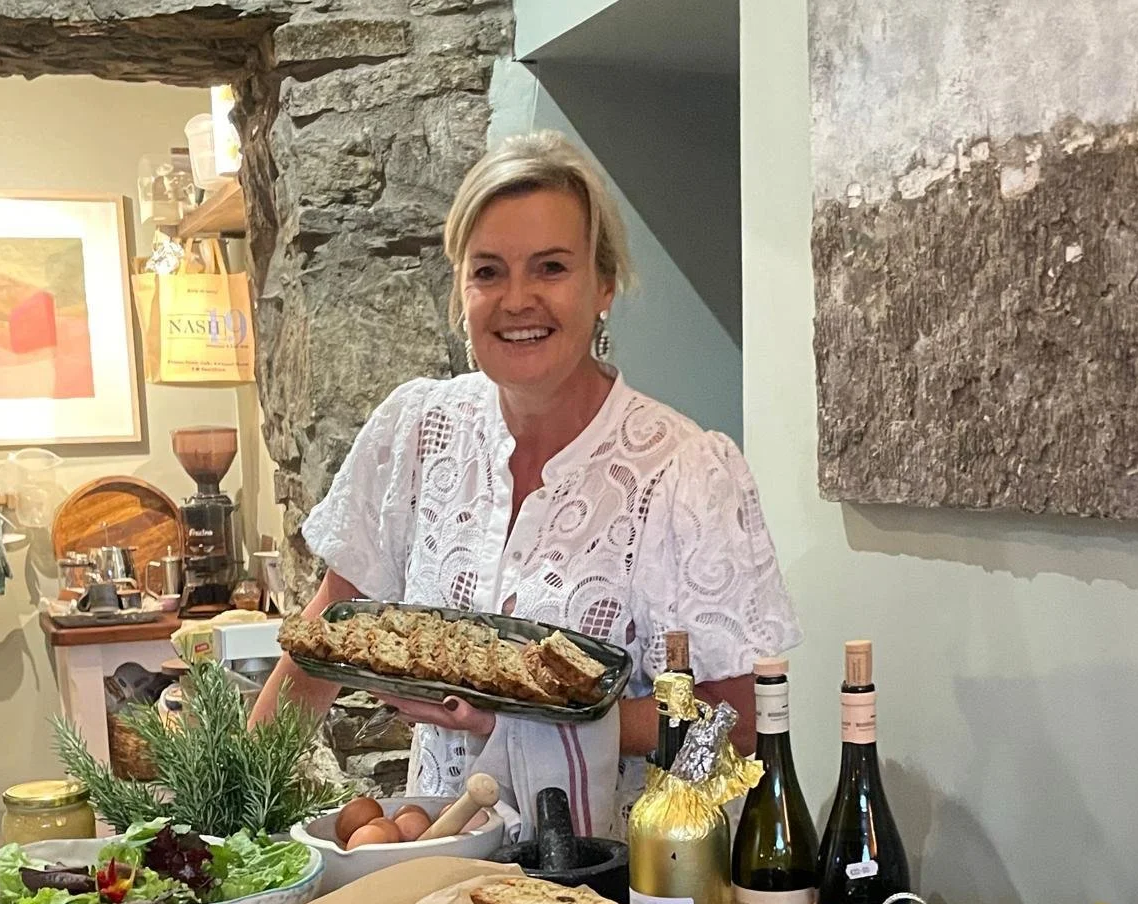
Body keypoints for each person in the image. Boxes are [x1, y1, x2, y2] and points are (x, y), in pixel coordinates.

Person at [251, 130, 799, 837]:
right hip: (439, 864)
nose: (517, 300)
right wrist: (229, 805)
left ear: (603, 285)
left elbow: (737, 729)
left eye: (550, 268)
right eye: (488, 272)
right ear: (461, 289)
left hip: (620, 890)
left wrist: (537, 718)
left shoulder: (684, 473)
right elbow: (320, 647)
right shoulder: (418, 432)